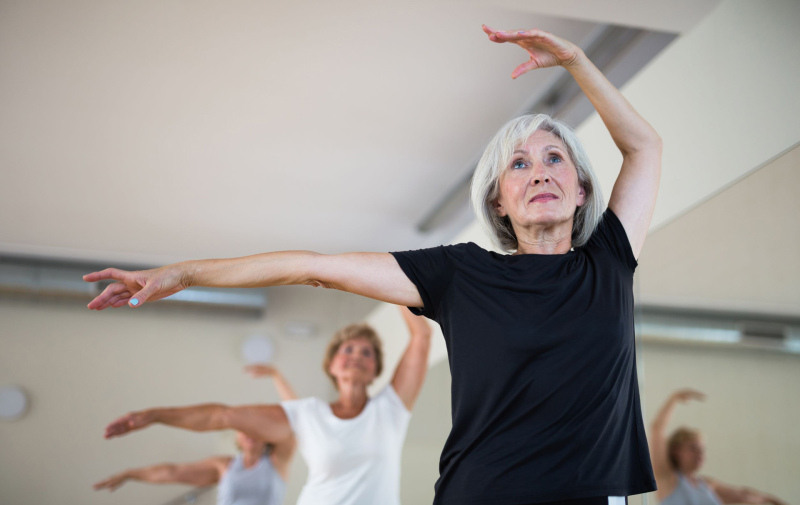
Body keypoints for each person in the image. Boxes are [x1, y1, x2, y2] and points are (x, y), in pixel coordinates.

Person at [85, 26, 661, 504]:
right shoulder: (460, 275)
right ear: (498, 202)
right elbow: (314, 267)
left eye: (555, 158)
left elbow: (644, 147)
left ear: (582, 189)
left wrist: (576, 61)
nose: (539, 172)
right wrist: (184, 275)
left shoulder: (609, 262)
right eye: (519, 165)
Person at [101, 307, 432, 505]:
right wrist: (155, 415)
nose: (357, 357)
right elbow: (223, 415)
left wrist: (399, 278)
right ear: (331, 364)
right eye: (348, 350)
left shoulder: (390, 409)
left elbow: (421, 337)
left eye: (367, 353)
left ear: (375, 368)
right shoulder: (307, 414)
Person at [94, 366, 298, 504]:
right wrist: (130, 474)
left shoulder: (278, 460)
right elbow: (172, 472)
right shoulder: (223, 466)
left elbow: (298, 416)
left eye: (255, 430)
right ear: (236, 436)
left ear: (266, 435)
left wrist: (276, 375)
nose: (249, 433)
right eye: (243, 430)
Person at [650, 389, 788, 505]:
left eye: (702, 450)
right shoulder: (667, 479)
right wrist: (674, 399)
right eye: (693, 448)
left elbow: (742, 495)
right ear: (676, 450)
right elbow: (657, 430)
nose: (700, 454)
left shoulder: (707, 485)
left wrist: (772, 500)